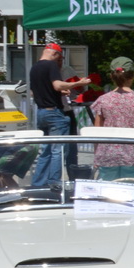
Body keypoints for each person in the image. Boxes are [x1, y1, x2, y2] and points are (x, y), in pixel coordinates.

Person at [29, 41, 89, 187]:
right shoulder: (51, 65)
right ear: (55, 54)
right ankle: (53, 183)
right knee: (59, 150)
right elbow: (57, 84)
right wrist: (77, 83)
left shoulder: (34, 67)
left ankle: (38, 183)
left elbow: (38, 90)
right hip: (55, 113)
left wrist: (61, 91)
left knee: (45, 151)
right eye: (59, 58)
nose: (59, 61)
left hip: (41, 112)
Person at [90, 57, 134, 180]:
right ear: (133, 76)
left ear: (112, 76)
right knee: (131, 191)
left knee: (107, 191)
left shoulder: (103, 100)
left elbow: (97, 130)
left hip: (107, 153)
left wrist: (96, 154)